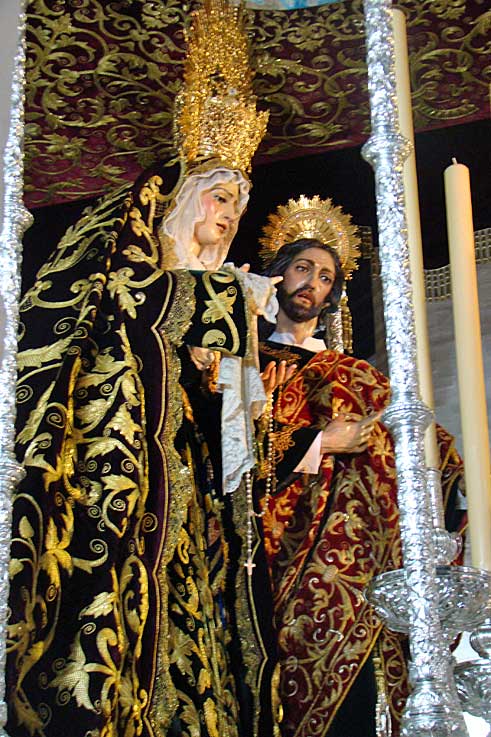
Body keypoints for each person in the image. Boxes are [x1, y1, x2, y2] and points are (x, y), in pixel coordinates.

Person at [6, 3, 280, 737]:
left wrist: (228, 384)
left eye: (239, 203)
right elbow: (123, 308)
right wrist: (223, 302)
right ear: (185, 195)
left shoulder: (216, 291)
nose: (229, 214)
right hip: (116, 474)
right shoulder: (124, 251)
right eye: (220, 196)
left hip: (181, 496)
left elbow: (228, 436)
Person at [254, 197, 465, 737]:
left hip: (369, 561)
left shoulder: (356, 373)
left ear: (333, 296)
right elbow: (235, 455)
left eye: (325, 277)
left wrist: (460, 481)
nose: (312, 283)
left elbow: (424, 450)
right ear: (278, 275)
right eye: (303, 268)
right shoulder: (245, 364)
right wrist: (321, 441)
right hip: (288, 552)